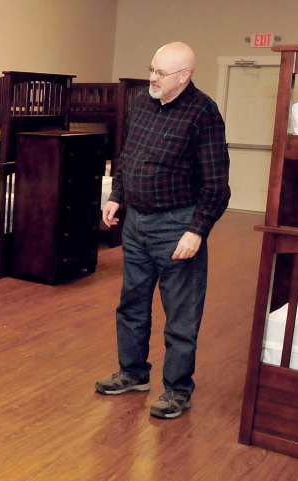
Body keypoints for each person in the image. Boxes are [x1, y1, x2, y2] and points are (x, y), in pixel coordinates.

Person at [94, 42, 231, 419]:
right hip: (136, 221)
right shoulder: (142, 102)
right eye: (152, 68)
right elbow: (128, 154)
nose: (152, 77)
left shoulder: (203, 113)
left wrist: (196, 231)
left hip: (176, 225)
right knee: (132, 304)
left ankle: (177, 390)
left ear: (184, 76)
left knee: (181, 315)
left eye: (160, 73)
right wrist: (117, 195)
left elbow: (218, 184)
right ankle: (133, 373)